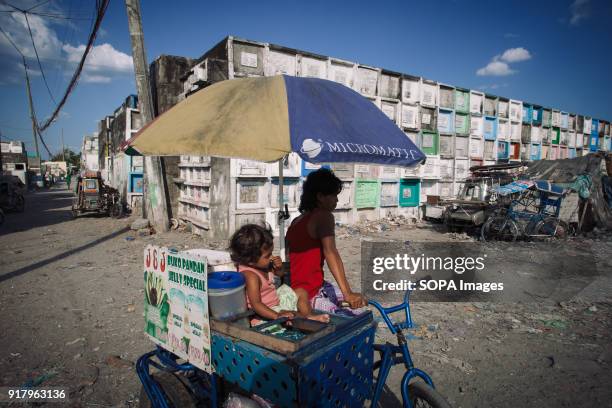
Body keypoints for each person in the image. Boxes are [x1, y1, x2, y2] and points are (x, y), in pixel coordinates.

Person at [286, 168, 367, 316]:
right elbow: (331, 253)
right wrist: (347, 293)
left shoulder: (296, 221)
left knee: (359, 304)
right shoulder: (324, 216)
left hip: (300, 291)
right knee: (356, 316)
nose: (337, 200)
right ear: (320, 196)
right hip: (310, 295)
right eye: (334, 195)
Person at [229, 224, 329, 325]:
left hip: (276, 300)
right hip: (266, 312)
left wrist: (279, 268)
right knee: (291, 315)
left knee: (301, 292)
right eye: (268, 256)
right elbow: (256, 304)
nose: (272, 257)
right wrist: (277, 316)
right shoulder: (251, 276)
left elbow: (279, 275)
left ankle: (308, 316)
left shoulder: (261, 265)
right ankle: (307, 321)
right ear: (250, 260)